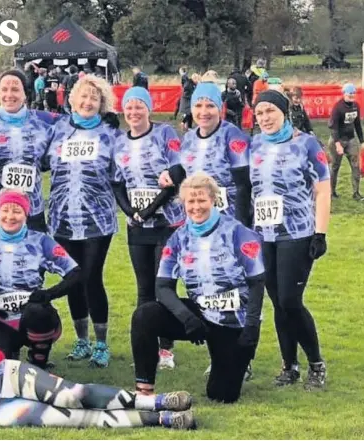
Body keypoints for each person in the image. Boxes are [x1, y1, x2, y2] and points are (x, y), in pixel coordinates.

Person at [0, 313, 196, 429]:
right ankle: (162, 419)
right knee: (73, 419)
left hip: (7, 376)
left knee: (74, 395)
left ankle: (156, 401)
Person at [131, 172, 265, 404]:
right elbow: (162, 286)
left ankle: (235, 363)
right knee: (145, 315)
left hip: (235, 319)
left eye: (201, 200)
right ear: (183, 204)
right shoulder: (178, 238)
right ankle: (144, 392)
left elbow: (257, 282)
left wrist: (252, 327)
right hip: (199, 314)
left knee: (222, 395)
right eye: (190, 201)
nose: (196, 207)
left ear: (213, 200)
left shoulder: (238, 232)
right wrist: (186, 317)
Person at [251, 90, 332, 390]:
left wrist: (320, 233)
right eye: (259, 113)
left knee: (290, 300)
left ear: (284, 111)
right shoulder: (255, 144)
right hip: (264, 234)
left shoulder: (306, 144)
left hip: (297, 233)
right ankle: (289, 365)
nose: (265, 118)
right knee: (277, 302)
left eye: (270, 111)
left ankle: (316, 364)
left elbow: (322, 189)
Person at [44, 75, 124, 367]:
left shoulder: (109, 132)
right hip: (63, 216)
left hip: (96, 219)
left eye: (95, 98)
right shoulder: (59, 128)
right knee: (73, 279)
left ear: (102, 104)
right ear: (72, 99)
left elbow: (123, 171)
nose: (88, 102)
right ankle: (81, 340)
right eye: (83, 96)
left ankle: (101, 344)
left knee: (91, 277)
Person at [112, 87, 186, 369]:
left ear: (149, 109)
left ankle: (166, 349)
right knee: (144, 288)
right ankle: (146, 349)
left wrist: (149, 210)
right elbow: (116, 182)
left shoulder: (164, 134)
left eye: (139, 107)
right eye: (129, 107)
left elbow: (177, 174)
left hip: (168, 221)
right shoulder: (120, 142)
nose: (133, 112)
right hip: (138, 225)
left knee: (163, 285)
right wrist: (130, 211)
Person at [0, 190, 81, 368]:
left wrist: (48, 294)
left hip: (31, 315)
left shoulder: (40, 241)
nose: (10, 216)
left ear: (26, 214)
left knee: (39, 312)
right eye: (5, 210)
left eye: (17, 211)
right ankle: (10, 351)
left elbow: (75, 273)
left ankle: (38, 361)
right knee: (0, 369)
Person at [0, 69, 57, 232]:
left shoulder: (43, 121)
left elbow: (77, 122)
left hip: (32, 210)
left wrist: (103, 120)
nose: (9, 94)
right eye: (4, 90)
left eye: (15, 89)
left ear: (25, 94)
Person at [179, 82, 253, 227]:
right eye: (198, 106)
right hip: (197, 219)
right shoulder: (188, 139)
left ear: (219, 108)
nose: (204, 112)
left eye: (210, 106)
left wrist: (240, 225)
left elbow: (243, 186)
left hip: (229, 218)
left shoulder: (232, 135)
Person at [328, 83, 364, 201]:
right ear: (344, 93)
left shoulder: (356, 106)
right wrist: (337, 144)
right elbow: (333, 127)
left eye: (353, 93)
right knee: (335, 166)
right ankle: (331, 192)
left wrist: (362, 141)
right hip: (337, 139)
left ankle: (356, 193)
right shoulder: (338, 107)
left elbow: (357, 125)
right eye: (349, 93)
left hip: (351, 139)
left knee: (356, 166)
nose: (351, 95)